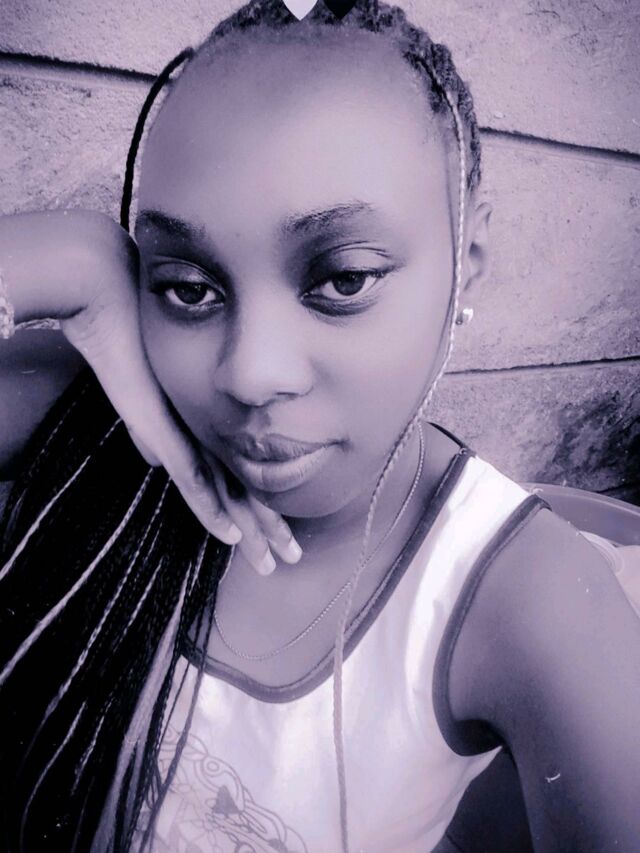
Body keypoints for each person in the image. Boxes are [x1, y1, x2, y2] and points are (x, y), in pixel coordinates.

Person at [0, 1, 639, 851]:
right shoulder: (97, 417)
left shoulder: (526, 598)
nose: (250, 373)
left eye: (342, 279)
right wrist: (68, 255)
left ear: (468, 260)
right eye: (188, 287)